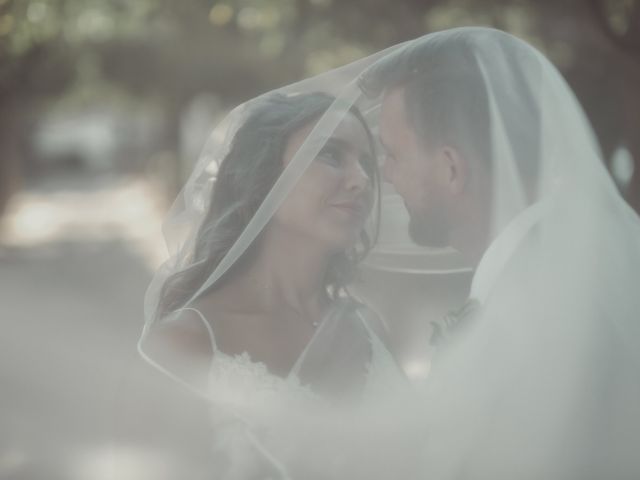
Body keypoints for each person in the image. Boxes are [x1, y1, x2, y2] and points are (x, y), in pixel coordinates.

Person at [360, 27, 640, 479]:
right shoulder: (589, 248)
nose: (384, 176)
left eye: (393, 154)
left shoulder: (533, 300)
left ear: (451, 168)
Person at [139, 91, 417, 479]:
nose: (362, 180)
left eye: (367, 163)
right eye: (331, 155)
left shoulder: (370, 327)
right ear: (264, 176)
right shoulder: (186, 342)